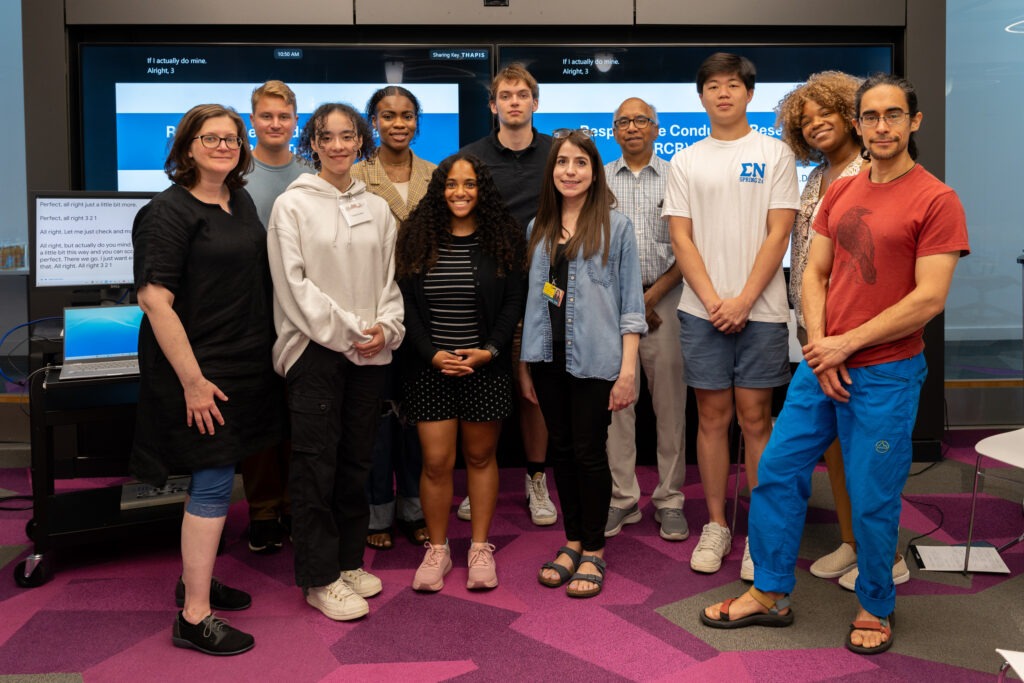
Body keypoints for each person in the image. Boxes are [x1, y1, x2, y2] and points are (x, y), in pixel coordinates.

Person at [701, 74, 969, 656]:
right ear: (858, 122)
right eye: (870, 116)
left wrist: (846, 346)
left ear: (913, 122)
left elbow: (929, 298)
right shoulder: (841, 191)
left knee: (873, 496)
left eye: (893, 115)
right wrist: (822, 346)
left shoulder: (936, 199)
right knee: (775, 470)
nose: (881, 127)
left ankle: (875, 604)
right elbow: (815, 272)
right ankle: (770, 592)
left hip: (887, 372)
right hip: (822, 366)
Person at [131, 104, 284, 655]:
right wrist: (193, 382)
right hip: (200, 372)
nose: (224, 146)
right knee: (216, 479)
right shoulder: (166, 213)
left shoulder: (237, 201)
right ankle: (194, 616)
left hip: (245, 364)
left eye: (231, 138)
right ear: (187, 146)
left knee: (218, 476)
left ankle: (193, 578)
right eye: (211, 137)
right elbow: (155, 301)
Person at [267, 102, 405, 621]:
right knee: (315, 468)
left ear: (361, 141)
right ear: (314, 144)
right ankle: (318, 577)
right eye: (329, 137)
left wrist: (385, 328)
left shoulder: (378, 208)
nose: (341, 145)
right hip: (314, 354)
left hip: (370, 353)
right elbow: (293, 286)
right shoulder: (292, 205)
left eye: (349, 136)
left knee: (356, 464)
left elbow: (391, 281)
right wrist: (351, 332)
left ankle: (347, 563)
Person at [663, 53, 799, 579]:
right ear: (701, 97)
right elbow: (682, 237)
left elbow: (779, 232)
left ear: (749, 94)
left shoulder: (775, 153)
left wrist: (743, 299)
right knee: (713, 419)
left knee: (756, 420)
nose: (724, 93)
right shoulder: (686, 161)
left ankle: (760, 531)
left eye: (734, 85)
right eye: (713, 86)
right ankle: (716, 525)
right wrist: (716, 300)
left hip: (761, 310)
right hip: (701, 312)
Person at [776, 72, 910, 589]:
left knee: (867, 451)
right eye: (805, 121)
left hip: (859, 336)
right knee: (833, 445)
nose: (815, 125)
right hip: (814, 328)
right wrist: (814, 329)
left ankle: (886, 556)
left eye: (824, 113)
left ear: (849, 115)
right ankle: (853, 543)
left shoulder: (871, 171)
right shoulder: (817, 178)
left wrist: (837, 336)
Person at [523, 129, 647, 598]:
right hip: (546, 358)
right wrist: (525, 363)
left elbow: (631, 305)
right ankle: (571, 541)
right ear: (551, 170)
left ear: (594, 172)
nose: (569, 172)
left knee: (590, 453)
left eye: (580, 163)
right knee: (561, 450)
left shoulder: (617, 228)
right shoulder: (536, 228)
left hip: (597, 361)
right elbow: (534, 303)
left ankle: (593, 549)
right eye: (562, 163)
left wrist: (628, 370)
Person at [396, 153, 526, 591]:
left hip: (485, 369)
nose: (460, 192)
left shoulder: (503, 237)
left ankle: (479, 547)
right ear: (439, 189)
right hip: (430, 368)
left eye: (469, 184)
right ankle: (438, 550)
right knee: (435, 462)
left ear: (481, 190)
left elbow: (513, 303)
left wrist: (490, 351)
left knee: (480, 458)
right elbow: (406, 306)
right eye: (451, 184)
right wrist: (430, 354)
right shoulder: (416, 236)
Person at [459, 63, 556, 527]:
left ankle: (536, 478)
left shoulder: (560, 154)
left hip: (547, 290)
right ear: (493, 105)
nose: (514, 102)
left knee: (534, 390)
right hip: (488, 291)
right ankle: (483, 472)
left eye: (523, 94)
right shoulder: (470, 158)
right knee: (487, 385)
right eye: (506, 95)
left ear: (535, 103)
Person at [352, 86, 436, 551]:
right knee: (378, 418)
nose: (398, 123)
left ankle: (414, 508)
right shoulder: (357, 175)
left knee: (417, 418)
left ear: (416, 122)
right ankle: (377, 512)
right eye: (389, 116)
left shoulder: (437, 174)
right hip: (374, 309)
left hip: (425, 312)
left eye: (407, 116)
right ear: (374, 122)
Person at [603, 97, 688, 542]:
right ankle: (622, 498)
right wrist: (629, 300)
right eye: (623, 122)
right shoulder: (598, 179)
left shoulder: (678, 177)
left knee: (670, 405)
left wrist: (654, 293)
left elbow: (691, 244)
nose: (632, 127)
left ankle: (670, 499)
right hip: (612, 305)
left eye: (641, 120)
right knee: (618, 405)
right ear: (613, 131)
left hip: (668, 298)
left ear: (657, 128)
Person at [239, 79, 308, 555]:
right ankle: (264, 510)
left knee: (299, 414)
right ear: (252, 122)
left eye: (284, 117)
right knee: (259, 415)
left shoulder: (310, 174)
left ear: (295, 122)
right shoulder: (234, 173)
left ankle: (296, 504)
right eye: (266, 116)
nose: (275, 124)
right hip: (250, 312)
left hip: (301, 312)